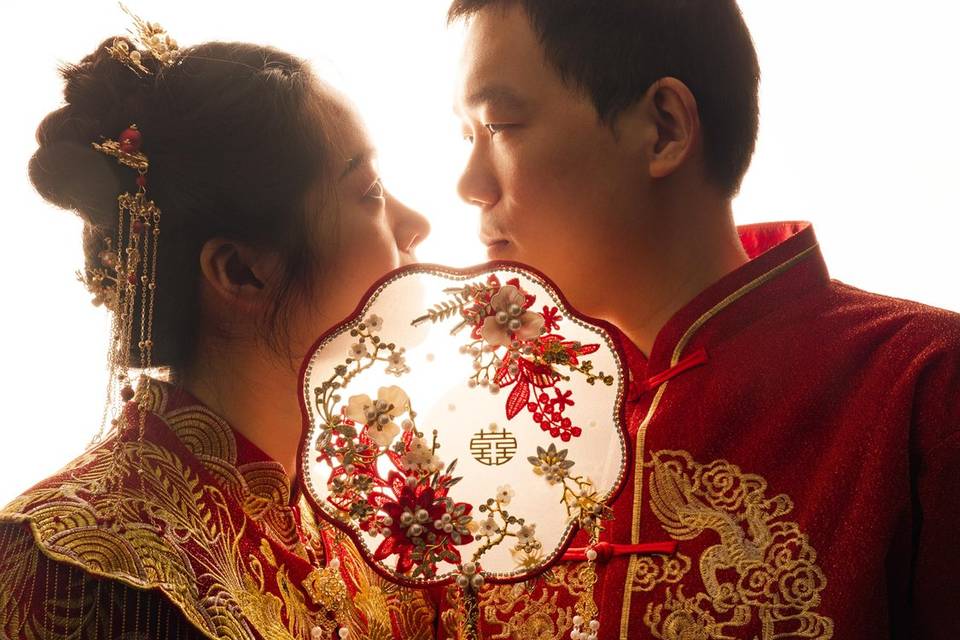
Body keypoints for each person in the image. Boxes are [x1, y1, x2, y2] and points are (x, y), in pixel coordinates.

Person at [439, 1, 960, 638]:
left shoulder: (926, 383)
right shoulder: (487, 428)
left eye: (501, 125)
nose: (469, 183)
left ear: (663, 129)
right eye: (466, 137)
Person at [0, 18, 435, 640]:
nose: (416, 223)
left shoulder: (350, 535)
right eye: (369, 192)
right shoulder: (76, 568)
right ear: (240, 271)